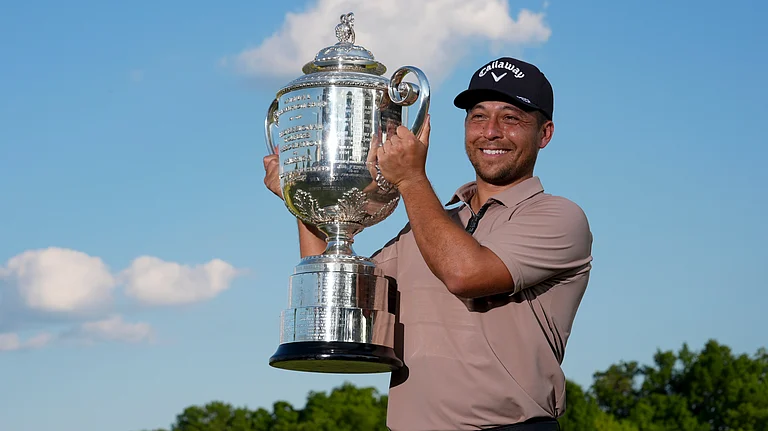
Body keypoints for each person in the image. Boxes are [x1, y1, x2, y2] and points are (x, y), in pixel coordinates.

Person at [263, 56, 593, 431]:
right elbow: (339, 291)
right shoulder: (431, 224)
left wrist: (411, 179)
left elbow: (464, 274)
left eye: (512, 118)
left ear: (545, 133)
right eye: (478, 116)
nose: (491, 131)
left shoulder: (559, 218)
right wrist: (305, 198)